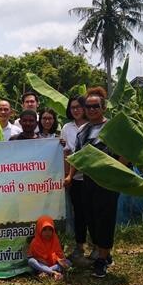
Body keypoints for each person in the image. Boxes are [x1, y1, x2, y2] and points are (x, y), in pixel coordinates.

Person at [65, 87, 120, 278]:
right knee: (91, 218)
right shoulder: (82, 131)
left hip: (107, 181)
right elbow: (77, 157)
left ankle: (101, 260)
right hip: (88, 180)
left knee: (104, 219)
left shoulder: (113, 128)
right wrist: (71, 175)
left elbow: (125, 153)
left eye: (96, 106)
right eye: (88, 106)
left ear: (103, 107)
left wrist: (118, 172)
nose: (91, 109)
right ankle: (103, 252)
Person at [60, 97, 89, 263]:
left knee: (93, 213)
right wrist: (67, 176)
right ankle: (79, 247)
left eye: (78, 107)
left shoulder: (92, 125)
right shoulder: (67, 128)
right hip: (75, 178)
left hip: (92, 177)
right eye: (72, 108)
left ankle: (99, 248)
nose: (75, 110)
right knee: (79, 213)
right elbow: (66, 153)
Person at [27, 215, 71, 281]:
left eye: (50, 229)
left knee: (68, 262)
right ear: (39, 229)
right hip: (41, 264)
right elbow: (33, 256)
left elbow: (59, 254)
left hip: (53, 264)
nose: (47, 232)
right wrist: (40, 259)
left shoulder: (55, 239)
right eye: (44, 229)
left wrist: (60, 260)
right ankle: (53, 272)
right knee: (31, 261)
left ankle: (45, 272)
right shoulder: (35, 241)